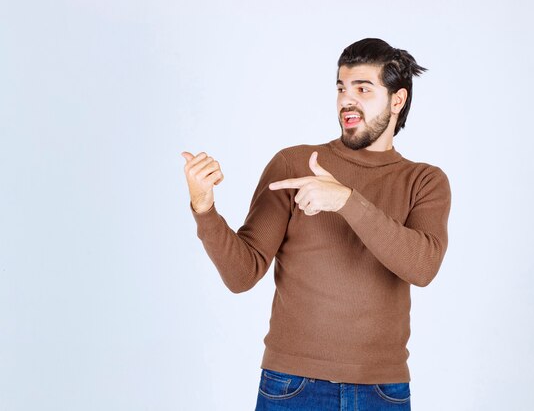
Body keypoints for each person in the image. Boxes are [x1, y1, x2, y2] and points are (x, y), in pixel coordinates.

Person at [181, 37, 451, 410]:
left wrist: (345, 201)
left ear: (397, 100)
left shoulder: (424, 180)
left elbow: (422, 267)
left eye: (363, 89)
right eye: (341, 87)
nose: (347, 100)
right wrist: (204, 208)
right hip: (292, 386)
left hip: (382, 392)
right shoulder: (294, 165)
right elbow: (242, 274)